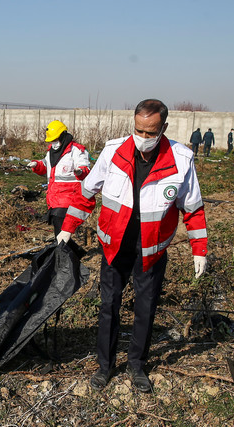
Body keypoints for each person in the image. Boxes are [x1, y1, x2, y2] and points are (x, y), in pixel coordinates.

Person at [55, 99, 208, 393]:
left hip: (151, 249)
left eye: (151, 133)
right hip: (115, 245)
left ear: (164, 128)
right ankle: (105, 365)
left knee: (145, 309)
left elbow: (193, 209)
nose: (144, 138)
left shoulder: (180, 159)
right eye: (139, 130)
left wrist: (199, 249)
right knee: (109, 305)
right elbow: (87, 192)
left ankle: (137, 365)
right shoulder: (113, 152)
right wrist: (67, 228)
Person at [27, 120, 91, 242]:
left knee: (61, 229)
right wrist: (37, 165)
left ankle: (65, 255)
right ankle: (68, 254)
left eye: (55, 139)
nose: (54, 143)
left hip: (70, 198)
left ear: (63, 136)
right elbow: (47, 167)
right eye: (52, 140)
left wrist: (80, 172)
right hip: (54, 198)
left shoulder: (76, 151)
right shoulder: (51, 151)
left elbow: (85, 169)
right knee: (60, 231)